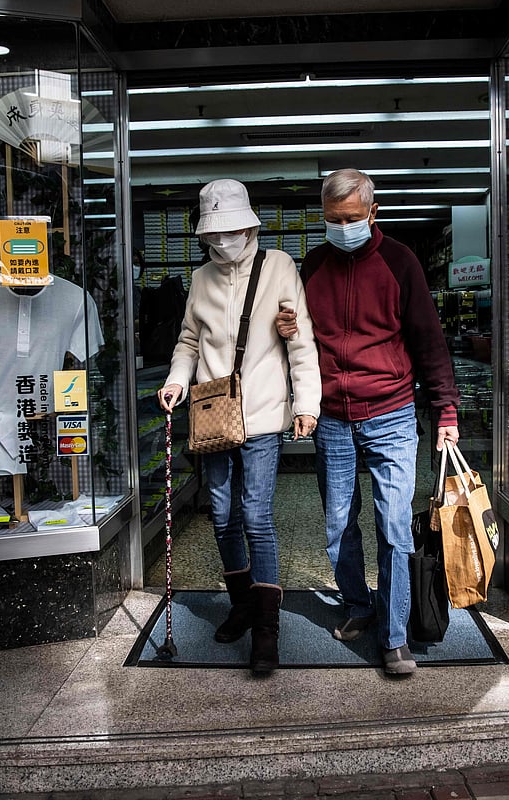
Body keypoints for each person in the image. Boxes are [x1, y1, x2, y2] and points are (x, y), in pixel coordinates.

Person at [277, 168, 460, 677]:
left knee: (394, 527)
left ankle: (394, 635)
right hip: (333, 418)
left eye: (352, 218)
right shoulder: (313, 265)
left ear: (373, 212)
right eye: (333, 220)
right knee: (338, 525)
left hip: (392, 413)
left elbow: (429, 341)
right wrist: (287, 327)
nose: (343, 228)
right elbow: (299, 340)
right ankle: (359, 604)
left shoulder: (400, 262)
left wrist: (446, 409)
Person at [158, 178, 320, 677]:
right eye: (214, 233)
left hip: (264, 413)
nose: (223, 240)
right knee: (223, 516)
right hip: (213, 414)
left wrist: (306, 403)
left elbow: (300, 341)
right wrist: (176, 379)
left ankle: (267, 626)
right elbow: (189, 340)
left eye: (230, 231)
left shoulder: (279, 267)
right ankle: (243, 605)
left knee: (255, 515)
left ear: (249, 228)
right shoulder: (200, 278)